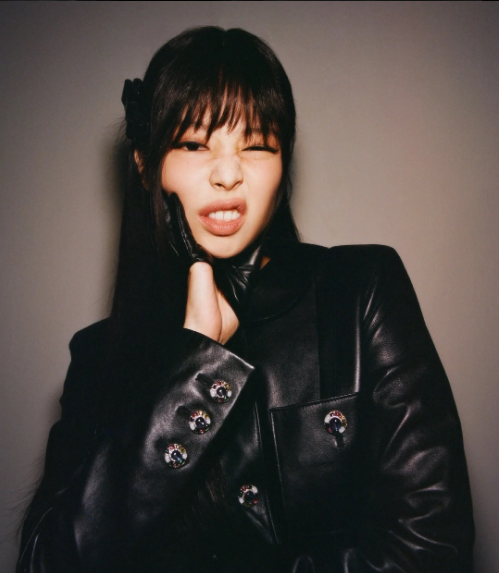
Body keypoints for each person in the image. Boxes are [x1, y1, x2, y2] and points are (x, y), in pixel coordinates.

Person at [17, 26, 474, 573]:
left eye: (256, 145)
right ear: (144, 162)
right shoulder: (98, 356)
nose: (229, 174)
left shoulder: (357, 293)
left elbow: (434, 548)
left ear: (284, 163)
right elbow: (46, 562)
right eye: (194, 144)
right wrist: (195, 366)